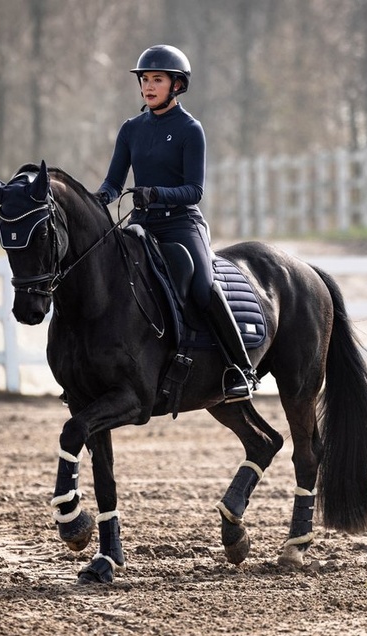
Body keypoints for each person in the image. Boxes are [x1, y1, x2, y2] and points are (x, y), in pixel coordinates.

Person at [95, 44, 257, 403]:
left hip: (183, 227)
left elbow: (194, 190)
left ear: (177, 85)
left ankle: (238, 368)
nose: (149, 86)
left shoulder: (190, 129)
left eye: (157, 79)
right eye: (145, 80)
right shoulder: (131, 129)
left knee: (203, 286)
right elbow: (113, 183)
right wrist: (97, 199)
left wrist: (156, 194)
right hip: (141, 226)